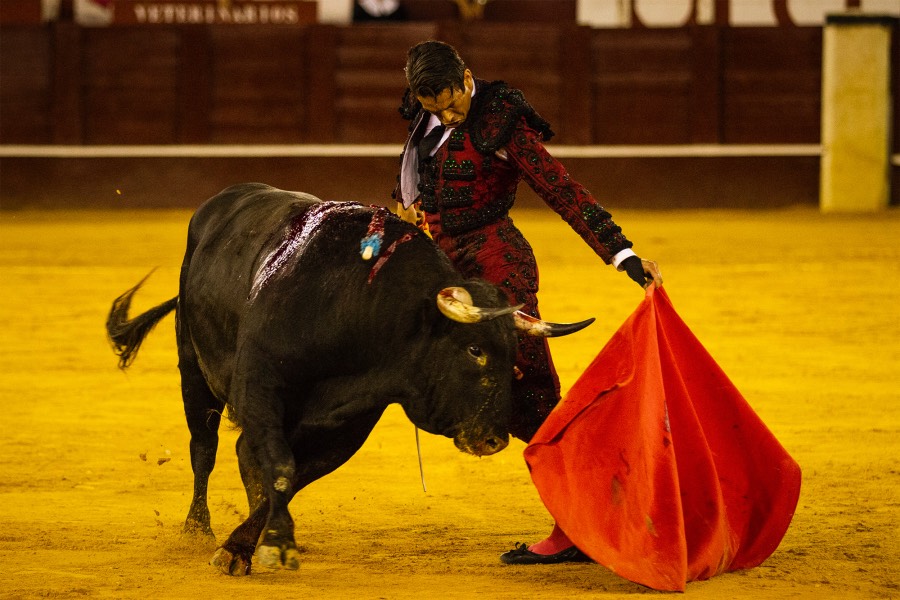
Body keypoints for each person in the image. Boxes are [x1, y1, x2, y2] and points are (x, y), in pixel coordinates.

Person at [392, 40, 663, 565]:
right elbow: (418, 182)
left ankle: (579, 524)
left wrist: (621, 253)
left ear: (466, 77)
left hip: (499, 270)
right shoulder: (424, 112)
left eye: (453, 105)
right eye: (435, 110)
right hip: (443, 271)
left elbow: (562, 189)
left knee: (535, 394)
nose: (448, 117)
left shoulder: (502, 122)